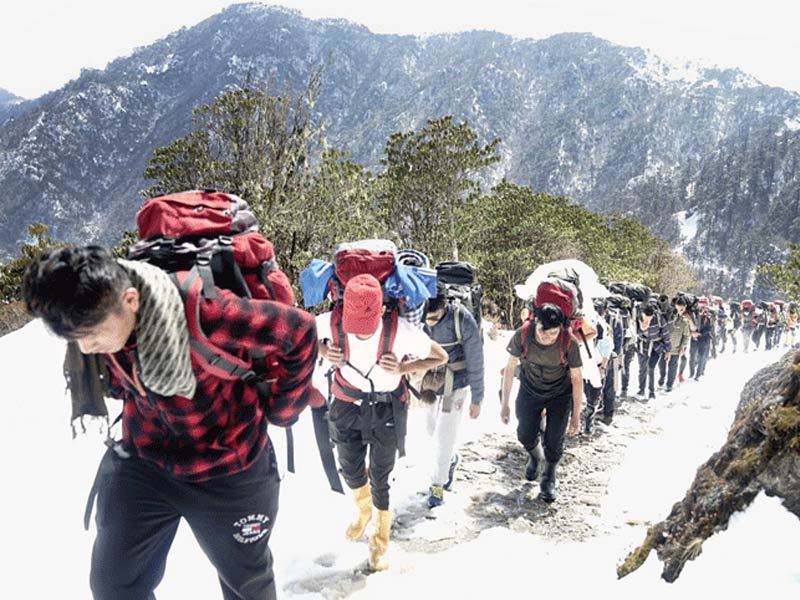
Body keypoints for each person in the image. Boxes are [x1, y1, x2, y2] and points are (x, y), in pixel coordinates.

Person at [23, 246, 321, 600]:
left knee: (247, 588)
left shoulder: (206, 312)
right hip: (146, 460)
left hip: (228, 467)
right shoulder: (94, 315)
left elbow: (300, 331)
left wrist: (284, 410)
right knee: (115, 587)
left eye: (93, 334)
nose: (87, 349)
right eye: (78, 340)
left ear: (130, 299)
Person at [316, 273, 447, 570]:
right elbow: (297, 335)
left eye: (366, 324)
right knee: (350, 469)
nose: (360, 332)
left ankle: (380, 540)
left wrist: (405, 366)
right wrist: (323, 350)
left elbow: (440, 356)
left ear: (380, 310)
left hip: (386, 408)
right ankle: (363, 512)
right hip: (346, 405)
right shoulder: (331, 322)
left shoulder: (399, 329)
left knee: (381, 476)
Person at [500, 303, 583, 503]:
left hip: (559, 395)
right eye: (543, 333)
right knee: (525, 434)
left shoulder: (568, 342)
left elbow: (577, 378)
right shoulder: (523, 335)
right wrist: (505, 404)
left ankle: (549, 477)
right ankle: (536, 456)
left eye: (553, 334)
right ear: (536, 322)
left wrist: (576, 416)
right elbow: (510, 368)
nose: (547, 338)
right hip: (530, 390)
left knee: (555, 439)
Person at [422, 285, 485, 507]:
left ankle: (437, 485)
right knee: (430, 429)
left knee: (444, 434)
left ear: (446, 306)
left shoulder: (462, 319)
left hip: (455, 382)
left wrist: (478, 398)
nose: (430, 322)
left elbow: (476, 359)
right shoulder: (417, 315)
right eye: (426, 318)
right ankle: (450, 459)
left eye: (435, 318)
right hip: (429, 381)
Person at [634, 304, 671, 400]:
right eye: (645, 319)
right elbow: (633, 332)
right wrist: (641, 330)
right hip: (642, 346)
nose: (647, 322)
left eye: (649, 319)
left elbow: (666, 334)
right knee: (642, 369)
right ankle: (641, 390)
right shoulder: (636, 317)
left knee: (651, 367)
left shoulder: (659, 318)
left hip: (656, 346)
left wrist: (668, 350)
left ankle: (651, 391)